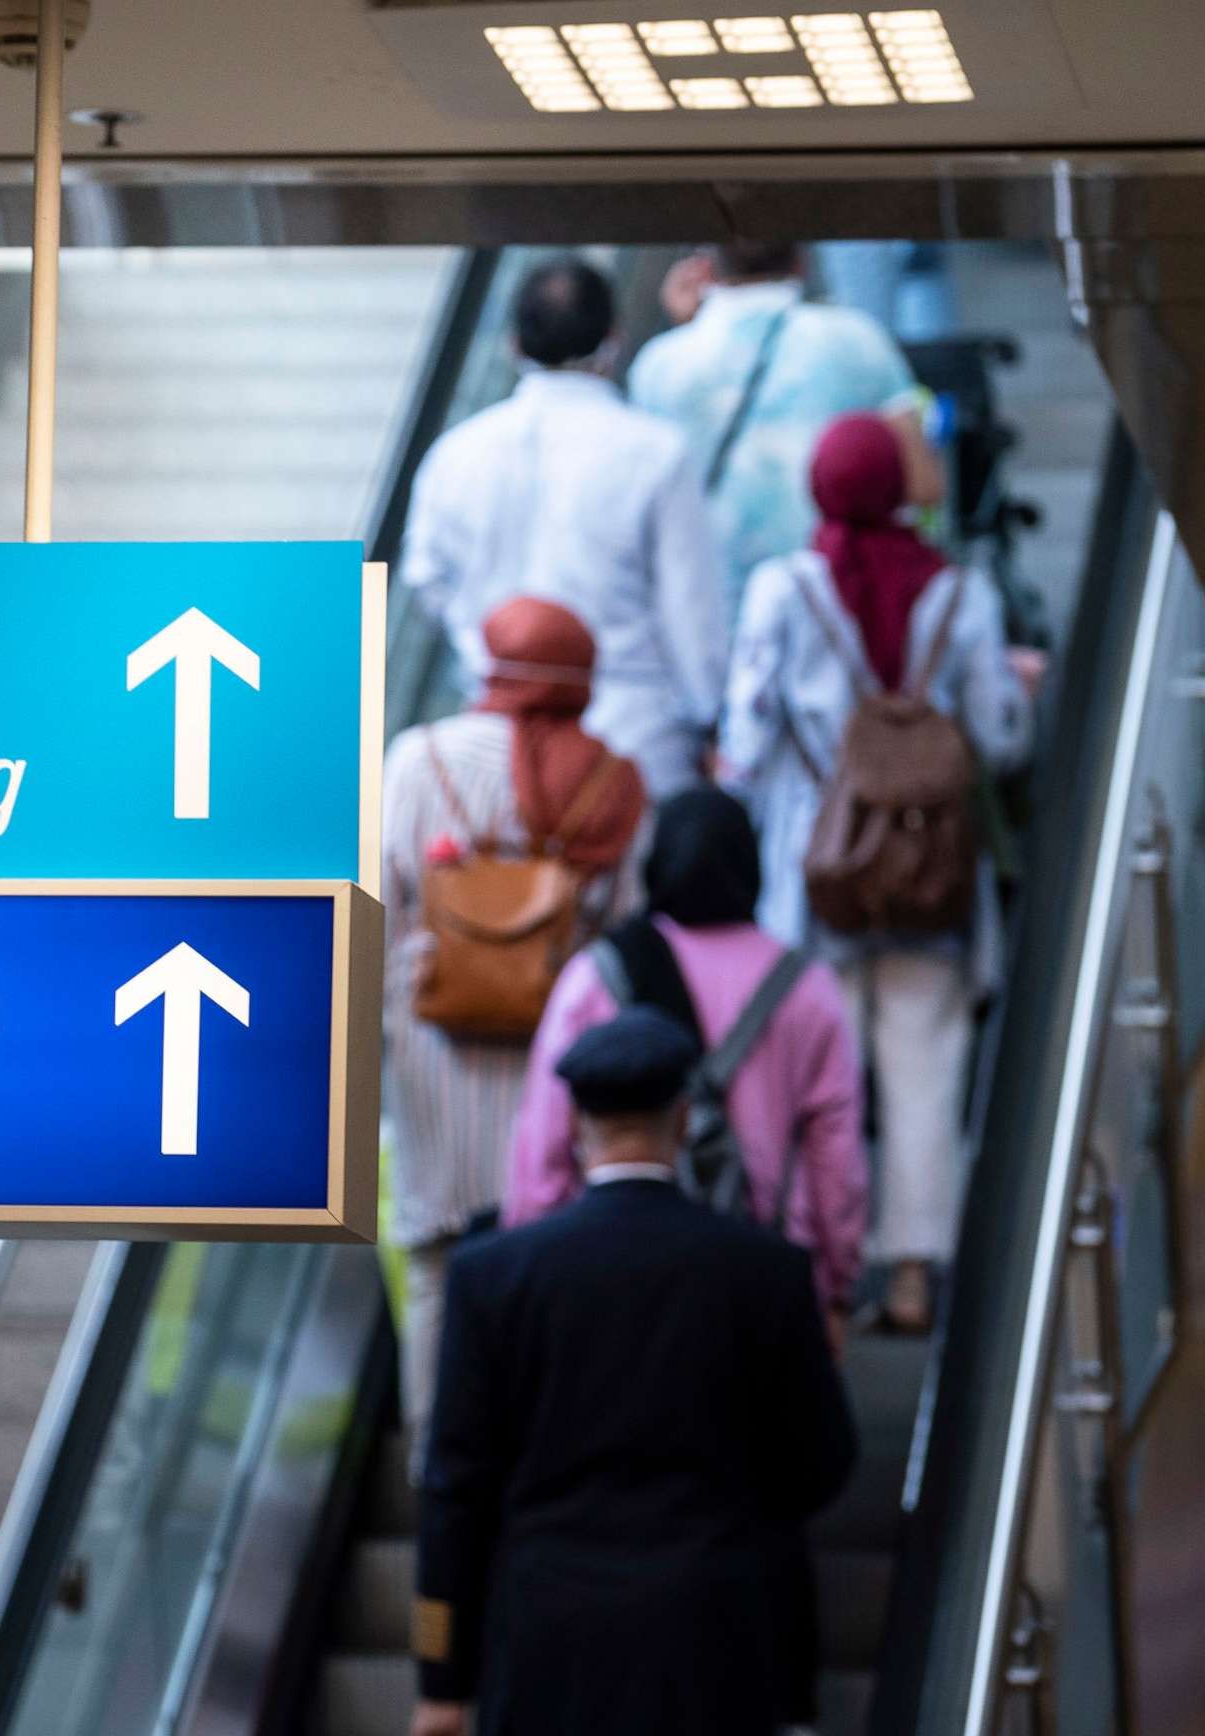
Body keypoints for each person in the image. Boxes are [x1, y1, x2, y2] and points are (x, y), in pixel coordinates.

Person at [412, 1009, 858, 1736]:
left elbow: (454, 1488)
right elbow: (822, 1464)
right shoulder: (767, 1271)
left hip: (545, 1640)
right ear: (683, 1121)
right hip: (719, 1635)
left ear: (575, 1127)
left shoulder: (491, 1276)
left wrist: (440, 1679)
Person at [720, 410, 1034, 1333]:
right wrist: (1017, 692)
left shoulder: (782, 590)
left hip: (811, 871)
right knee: (925, 1067)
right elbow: (1002, 745)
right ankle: (910, 1274)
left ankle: (821, 1263)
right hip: (932, 870)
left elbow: (743, 742)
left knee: (820, 1075)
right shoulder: (959, 594)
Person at [380, 597, 644, 1470]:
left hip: (429, 1054)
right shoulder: (607, 780)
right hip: (552, 1066)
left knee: (435, 1270)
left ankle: (435, 1462)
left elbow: (370, 911)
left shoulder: (417, 762)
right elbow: (623, 930)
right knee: (546, 1275)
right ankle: (538, 1460)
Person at [504, 787, 868, 1330]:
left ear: (656, 863)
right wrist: (834, 1282)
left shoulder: (596, 977)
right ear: (753, 864)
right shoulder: (807, 989)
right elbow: (835, 1152)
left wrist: (532, 1253)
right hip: (766, 1283)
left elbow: (545, 1137)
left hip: (607, 1280)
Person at [401, 257, 727, 797]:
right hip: (631, 737)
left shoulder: (455, 453)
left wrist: (481, 644)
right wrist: (710, 716)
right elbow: (690, 608)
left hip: (493, 741)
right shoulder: (656, 454)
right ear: (615, 342)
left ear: (513, 346)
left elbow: (425, 578)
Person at [630, 241, 926, 621]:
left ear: (706, 267)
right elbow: (923, 485)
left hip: (710, 617)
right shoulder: (859, 340)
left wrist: (689, 330)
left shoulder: (660, 365)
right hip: (835, 615)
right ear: (802, 262)